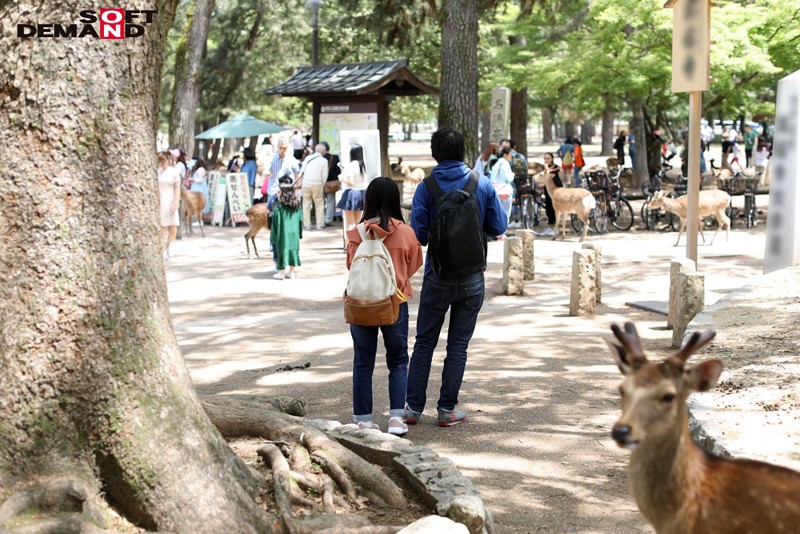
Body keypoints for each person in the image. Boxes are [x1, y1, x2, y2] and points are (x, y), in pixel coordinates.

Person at [405, 127, 507, 428]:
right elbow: (498, 226)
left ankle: (412, 408)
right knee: (458, 345)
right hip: (472, 277)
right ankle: (447, 409)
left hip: (438, 274)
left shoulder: (427, 186)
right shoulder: (482, 184)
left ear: (434, 153)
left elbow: (419, 235)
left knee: (424, 342)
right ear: (463, 151)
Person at [346, 177, 423, 435]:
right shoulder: (406, 233)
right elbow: (414, 264)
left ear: (368, 201)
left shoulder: (356, 233)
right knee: (398, 360)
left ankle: (363, 419)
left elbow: (351, 266)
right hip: (395, 302)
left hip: (361, 304)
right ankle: (396, 419)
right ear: (395, 199)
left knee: (363, 361)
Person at [269, 174, 303, 280]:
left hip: (282, 234)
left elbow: (275, 225)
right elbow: (300, 222)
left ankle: (282, 272)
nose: (277, 193)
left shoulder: (278, 208)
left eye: (279, 192)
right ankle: (292, 272)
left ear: (283, 193)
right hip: (294, 234)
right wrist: (299, 234)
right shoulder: (297, 207)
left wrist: (273, 237)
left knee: (282, 250)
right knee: (294, 250)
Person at [337, 144, 369, 246]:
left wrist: (342, 178)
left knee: (350, 223)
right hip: (361, 193)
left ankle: (349, 245)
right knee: (358, 222)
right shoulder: (363, 165)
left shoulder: (352, 165)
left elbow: (350, 181)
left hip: (351, 193)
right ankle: (358, 244)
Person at [158, 153, 181, 260]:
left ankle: (168, 245)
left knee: (173, 228)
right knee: (162, 226)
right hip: (160, 200)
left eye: (163, 161)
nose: (161, 163)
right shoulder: (157, 171)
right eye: (160, 161)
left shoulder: (174, 172)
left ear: (168, 160)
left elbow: (177, 187)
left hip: (170, 199)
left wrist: (176, 201)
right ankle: (162, 250)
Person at [300, 144, 328, 230]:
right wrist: (323, 185)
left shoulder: (308, 158)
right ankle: (320, 225)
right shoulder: (324, 161)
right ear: (323, 151)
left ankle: (306, 225)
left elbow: (301, 172)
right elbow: (324, 175)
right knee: (319, 205)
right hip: (317, 184)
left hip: (306, 184)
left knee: (306, 205)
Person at [535, 152, 562, 238]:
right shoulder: (543, 168)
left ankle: (554, 227)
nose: (546, 160)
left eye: (548, 158)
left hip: (555, 192)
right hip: (547, 191)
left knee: (554, 209)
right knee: (548, 208)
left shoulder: (556, 168)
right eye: (545, 158)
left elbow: (559, 182)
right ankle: (550, 226)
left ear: (552, 159)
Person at [489, 146, 514, 224]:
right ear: (505, 155)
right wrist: (513, 174)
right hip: (505, 191)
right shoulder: (505, 163)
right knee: (506, 213)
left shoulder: (497, 163)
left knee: (497, 213)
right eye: (510, 154)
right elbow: (509, 178)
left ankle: (498, 234)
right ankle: (502, 233)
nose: (511, 156)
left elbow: (492, 178)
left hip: (496, 191)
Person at [322, 142, 341, 226]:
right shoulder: (335, 157)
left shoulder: (319, 158)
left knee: (320, 202)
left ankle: (321, 220)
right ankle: (328, 220)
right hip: (331, 184)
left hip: (320, 183)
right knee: (330, 201)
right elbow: (338, 171)